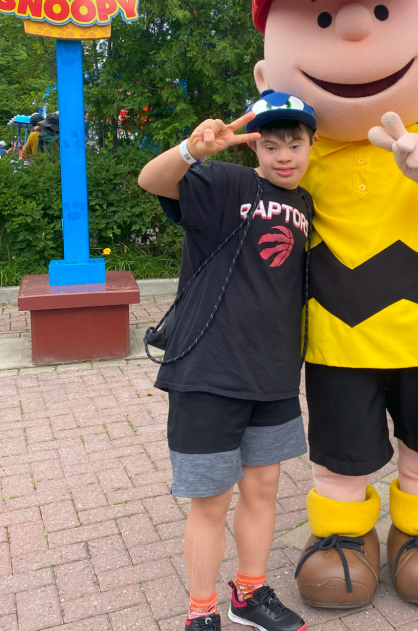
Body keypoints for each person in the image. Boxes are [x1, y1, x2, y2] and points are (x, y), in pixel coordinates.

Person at [250, 0, 418, 607]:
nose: (356, 27)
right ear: (268, 75)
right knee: (340, 449)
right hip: (338, 337)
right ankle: (343, 537)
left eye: (383, 9)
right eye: (323, 18)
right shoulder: (299, 161)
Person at [137, 93, 316, 631]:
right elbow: (152, 179)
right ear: (255, 149)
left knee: (263, 490)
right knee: (211, 502)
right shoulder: (226, 184)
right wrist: (192, 152)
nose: (284, 154)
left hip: (275, 376)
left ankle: (250, 593)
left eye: (295, 143)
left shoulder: (307, 203)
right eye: (270, 144)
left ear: (311, 146)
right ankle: (201, 612)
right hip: (209, 373)